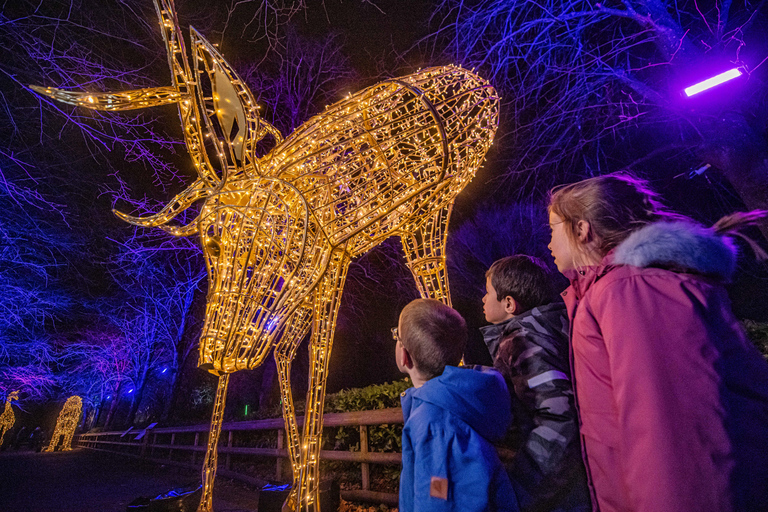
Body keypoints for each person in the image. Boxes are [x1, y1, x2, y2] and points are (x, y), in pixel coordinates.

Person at [547, 173, 768, 512]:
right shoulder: (617, 289)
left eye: (553, 228)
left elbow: (675, 437)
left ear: (581, 229)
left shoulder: (633, 290)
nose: (549, 243)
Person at [481, 255, 590, 512]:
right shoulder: (546, 330)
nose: (483, 299)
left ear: (509, 303)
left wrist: (521, 487)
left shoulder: (525, 341)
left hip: (555, 496)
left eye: (487, 293)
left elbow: (559, 415)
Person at [395, 298, 519, 512]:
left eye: (396, 335)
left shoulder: (435, 422)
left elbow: (439, 499)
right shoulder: (451, 402)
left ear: (405, 355)